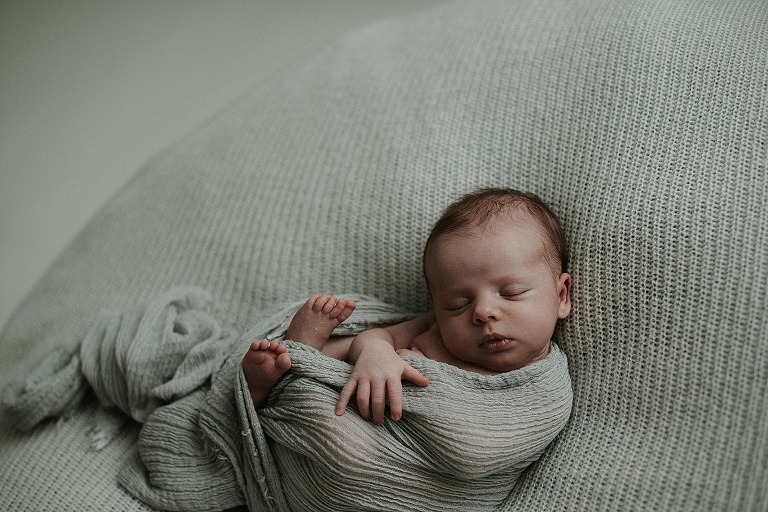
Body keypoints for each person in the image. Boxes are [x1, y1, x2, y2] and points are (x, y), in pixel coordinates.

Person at [242, 187, 572, 424]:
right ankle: (293, 364)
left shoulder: (545, 393)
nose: (483, 312)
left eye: (511, 292)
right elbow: (375, 336)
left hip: (376, 445)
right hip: (342, 398)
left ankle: (285, 384)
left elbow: (482, 453)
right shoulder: (434, 332)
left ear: (561, 297)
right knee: (338, 365)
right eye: (456, 304)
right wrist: (376, 355)